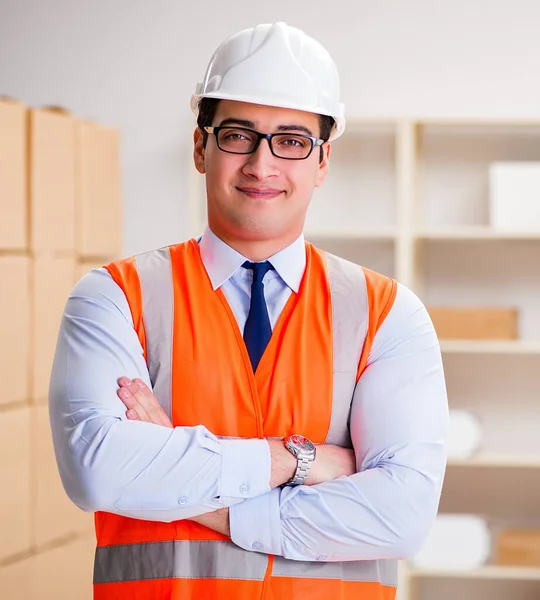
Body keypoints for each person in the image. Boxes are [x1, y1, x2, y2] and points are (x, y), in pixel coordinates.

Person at [49, 21, 448, 600]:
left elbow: (401, 516)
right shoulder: (114, 296)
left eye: (291, 140)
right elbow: (98, 473)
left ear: (322, 161)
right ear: (199, 147)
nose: (262, 165)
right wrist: (298, 460)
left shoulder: (386, 313)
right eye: (239, 135)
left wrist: (192, 489)